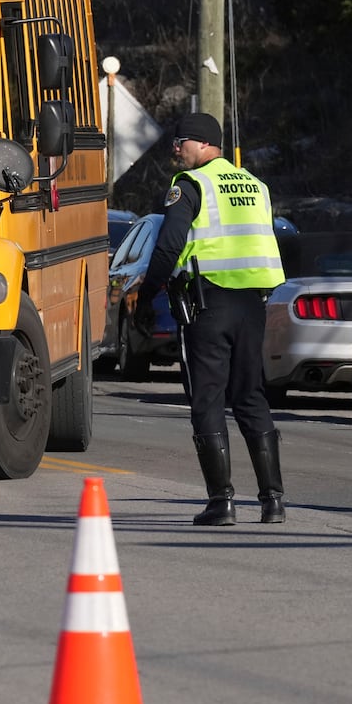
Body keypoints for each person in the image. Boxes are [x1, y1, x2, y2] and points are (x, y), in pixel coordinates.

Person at [137, 112, 287, 526]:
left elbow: (169, 247)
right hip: (252, 304)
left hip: (208, 304)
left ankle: (221, 502)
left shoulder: (190, 186)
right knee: (250, 395)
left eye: (180, 142)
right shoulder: (256, 186)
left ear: (203, 144)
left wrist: (146, 297)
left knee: (207, 398)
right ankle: (273, 501)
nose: (175, 150)